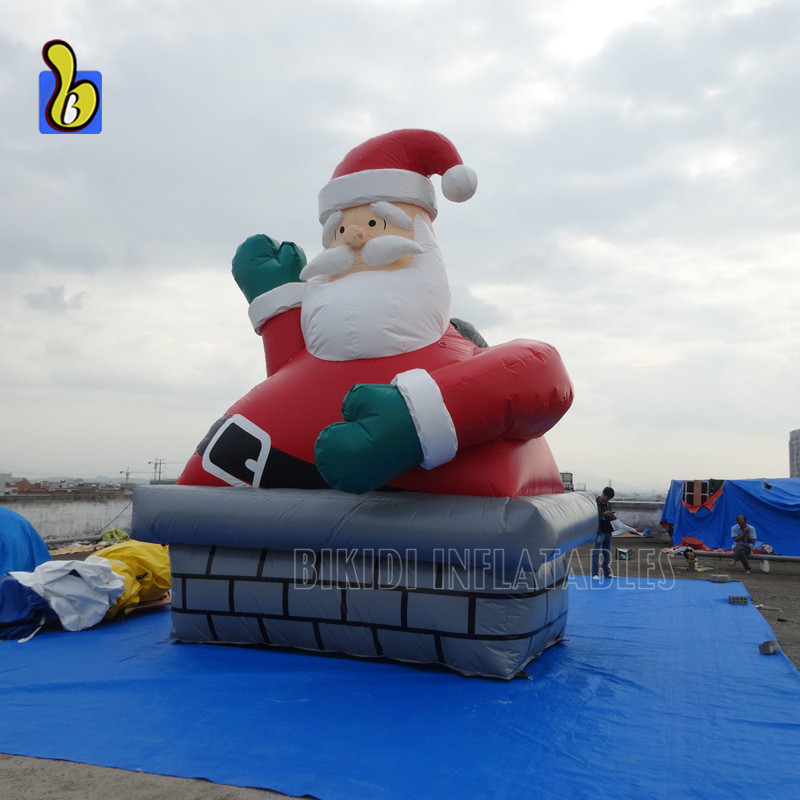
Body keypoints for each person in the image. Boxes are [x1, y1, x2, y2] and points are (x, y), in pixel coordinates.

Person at [177, 129, 575, 498]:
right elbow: (298, 375)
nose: (354, 237)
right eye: (339, 231)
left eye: (374, 222)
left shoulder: (462, 355)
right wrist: (279, 304)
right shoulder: (315, 343)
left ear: (419, 239)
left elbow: (541, 373)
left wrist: (414, 421)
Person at [591, 486, 616, 580]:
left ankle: (607, 573)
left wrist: (611, 516)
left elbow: (611, 518)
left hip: (608, 531)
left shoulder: (608, 504)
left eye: (609, 499)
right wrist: (603, 515)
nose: (607, 500)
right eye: (607, 498)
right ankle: (595, 574)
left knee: (606, 553)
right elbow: (593, 517)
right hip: (599, 530)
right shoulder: (594, 504)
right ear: (603, 495)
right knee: (596, 553)